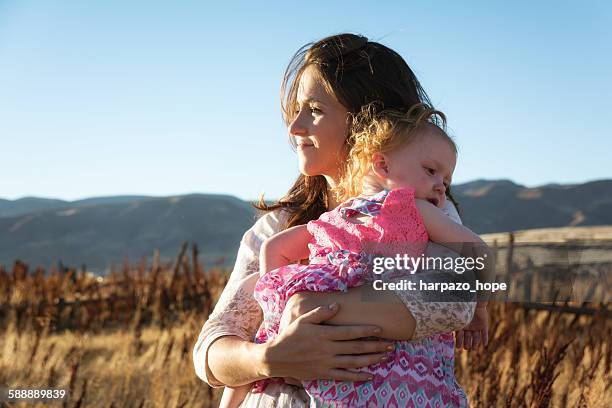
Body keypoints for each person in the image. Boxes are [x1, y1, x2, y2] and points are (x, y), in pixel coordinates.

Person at [194, 34, 482, 408]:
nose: (294, 127)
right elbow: (211, 350)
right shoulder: (278, 227)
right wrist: (269, 357)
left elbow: (454, 300)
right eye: (295, 109)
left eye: (313, 109)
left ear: (366, 120)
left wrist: (306, 308)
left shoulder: (422, 216)